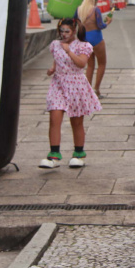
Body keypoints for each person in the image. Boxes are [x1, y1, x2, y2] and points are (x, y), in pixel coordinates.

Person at [42, 18, 101, 169]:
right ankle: (54, 154)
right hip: (58, 84)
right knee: (54, 117)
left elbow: (81, 63)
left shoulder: (83, 46)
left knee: (76, 121)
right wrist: (52, 69)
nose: (63, 34)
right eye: (61, 31)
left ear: (74, 31)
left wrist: (68, 50)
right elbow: (57, 60)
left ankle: (78, 153)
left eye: (67, 31)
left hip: (76, 84)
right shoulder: (55, 45)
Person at [76, 0, 111, 97]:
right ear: (95, 0)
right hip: (96, 38)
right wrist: (108, 22)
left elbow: (76, 23)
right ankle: (96, 89)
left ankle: (87, 90)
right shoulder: (95, 10)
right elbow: (100, 25)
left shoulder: (79, 10)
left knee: (90, 65)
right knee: (102, 64)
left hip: (85, 38)